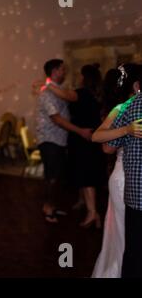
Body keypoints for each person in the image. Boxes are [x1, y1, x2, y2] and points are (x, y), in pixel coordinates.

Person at [91, 65, 142, 278]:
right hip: (125, 177)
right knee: (125, 233)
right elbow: (103, 144)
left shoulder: (127, 106)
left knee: (127, 234)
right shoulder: (124, 107)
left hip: (128, 175)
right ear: (136, 85)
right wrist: (127, 131)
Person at [46, 64, 105, 228]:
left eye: (81, 75)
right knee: (87, 176)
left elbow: (64, 94)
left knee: (87, 178)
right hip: (90, 137)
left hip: (82, 138)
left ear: (85, 78)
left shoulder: (83, 93)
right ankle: (92, 211)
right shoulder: (97, 94)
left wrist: (48, 84)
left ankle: (92, 213)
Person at [36, 59, 92, 223]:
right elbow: (57, 119)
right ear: (54, 71)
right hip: (49, 139)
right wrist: (80, 131)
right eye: (62, 69)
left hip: (60, 139)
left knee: (58, 176)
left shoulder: (59, 90)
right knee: (52, 177)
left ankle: (52, 204)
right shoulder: (46, 93)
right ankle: (48, 207)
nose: (65, 72)